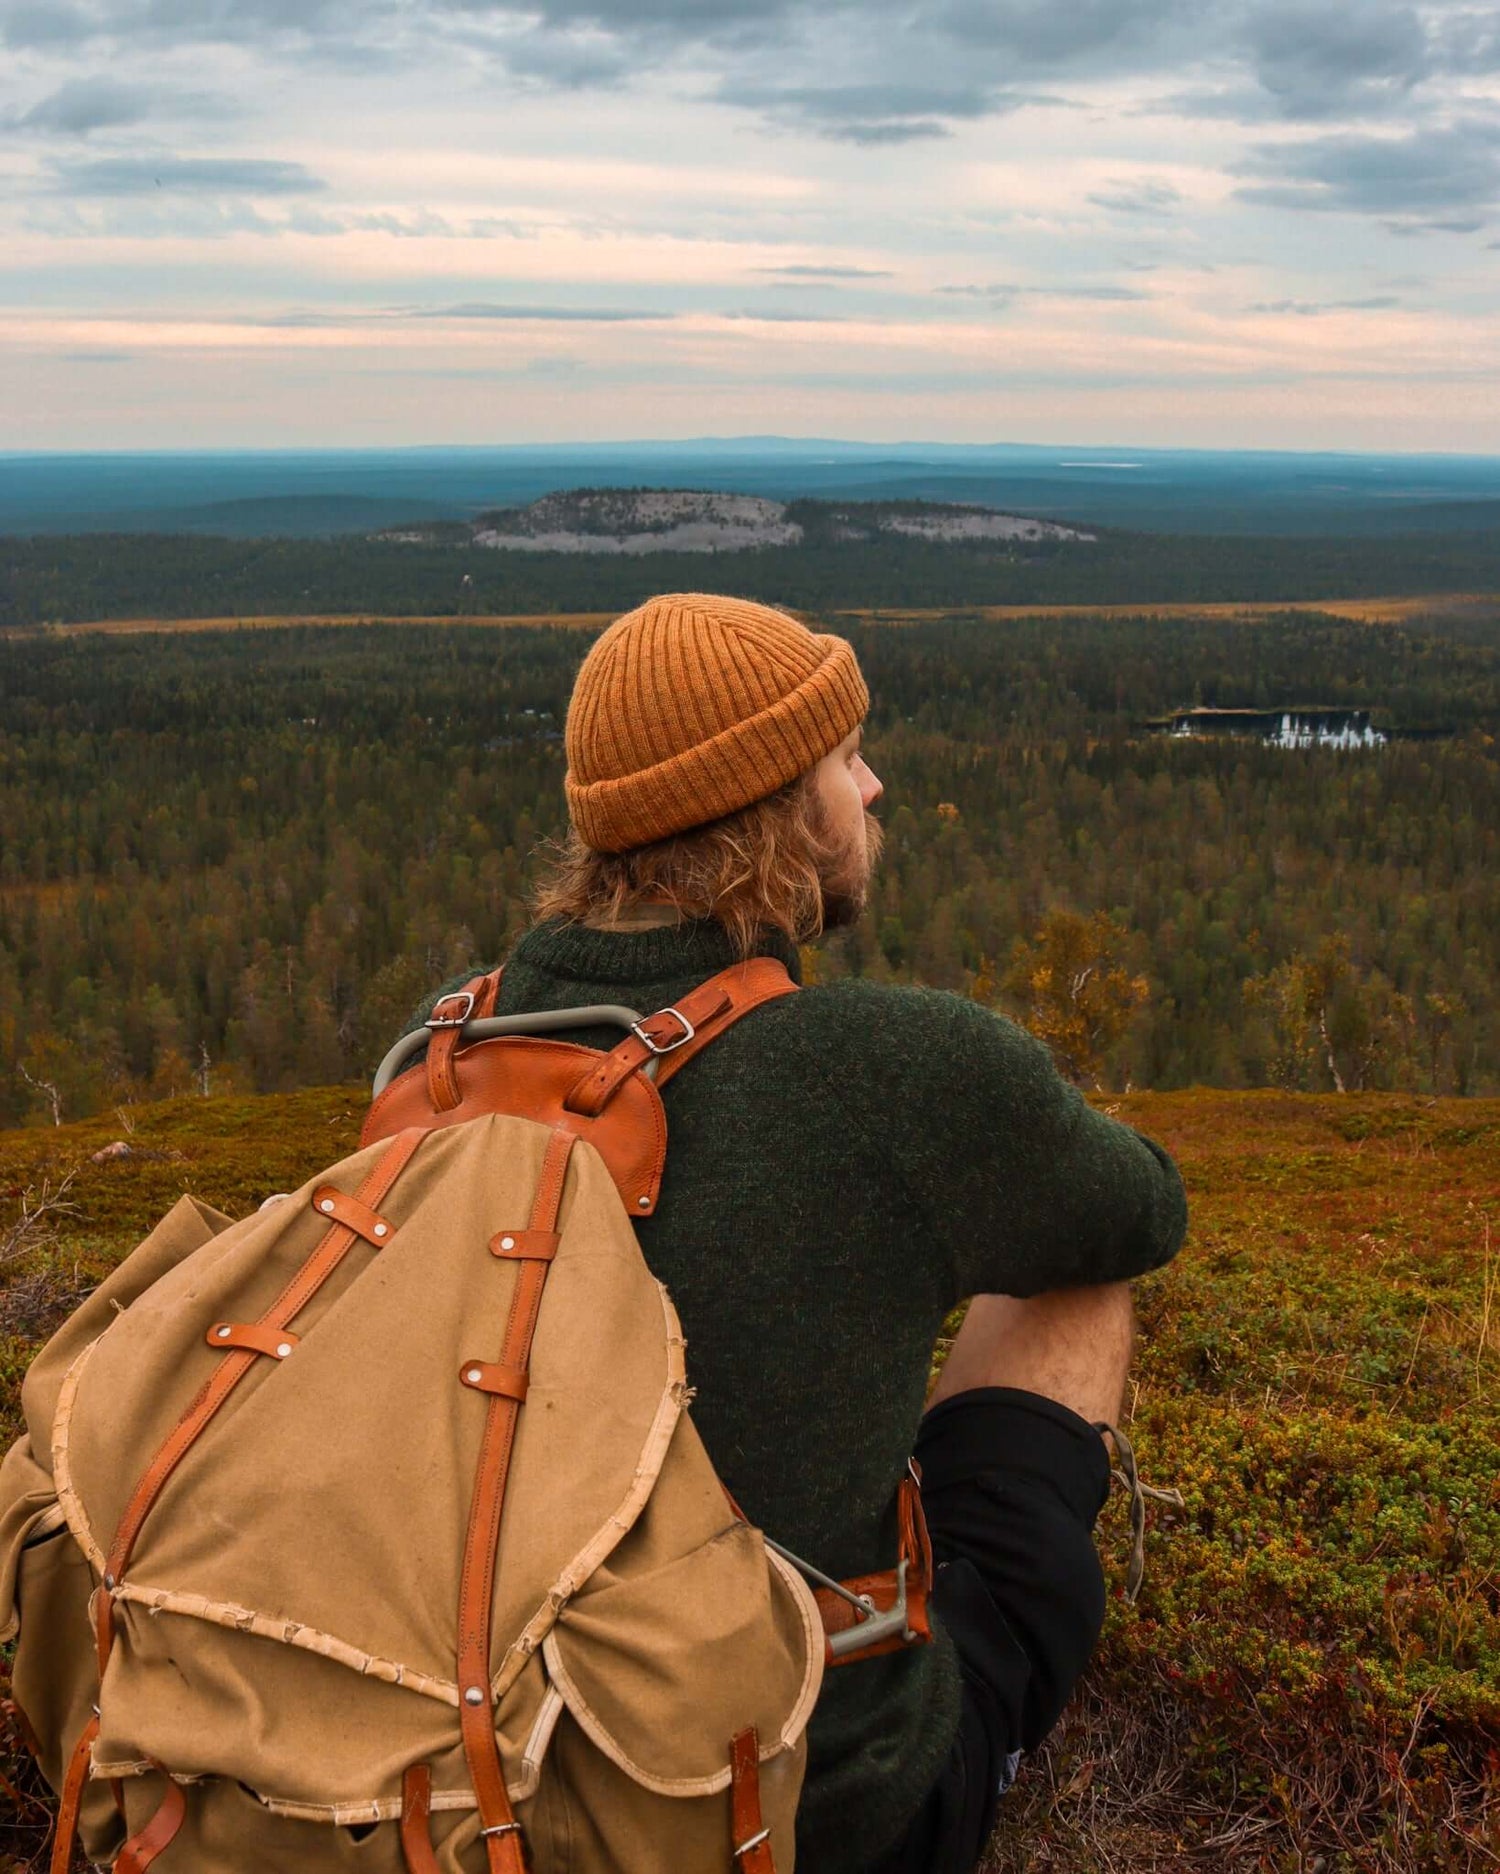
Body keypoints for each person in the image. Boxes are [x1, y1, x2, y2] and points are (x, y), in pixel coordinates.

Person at [403, 592, 1187, 1874]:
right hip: (811, 1803)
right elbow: (1141, 1208)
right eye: (843, 759)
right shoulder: (898, 1062)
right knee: (1080, 1274)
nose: (872, 789)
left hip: (475, 1765)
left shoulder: (448, 1046)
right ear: (771, 803)